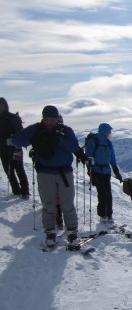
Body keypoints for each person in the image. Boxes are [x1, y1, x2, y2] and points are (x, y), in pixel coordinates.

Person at [9, 105, 86, 247]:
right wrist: (31, 138)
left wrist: (58, 140)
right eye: (46, 119)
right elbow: (18, 140)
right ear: (43, 119)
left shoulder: (65, 130)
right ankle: (50, 231)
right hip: (45, 172)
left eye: (52, 119)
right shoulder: (36, 129)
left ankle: (72, 231)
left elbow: (74, 147)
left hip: (63, 172)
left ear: (57, 119)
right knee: (48, 204)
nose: (49, 122)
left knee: (67, 204)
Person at [85, 123, 123, 225]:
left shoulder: (108, 143)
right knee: (102, 193)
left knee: (108, 194)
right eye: (108, 131)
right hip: (97, 171)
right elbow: (88, 157)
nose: (110, 133)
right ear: (104, 131)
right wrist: (90, 172)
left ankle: (109, 215)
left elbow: (112, 158)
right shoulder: (94, 141)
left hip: (106, 171)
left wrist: (116, 172)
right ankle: (103, 215)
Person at [0, 97, 30, 198]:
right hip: (3, 148)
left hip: (15, 147)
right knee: (8, 170)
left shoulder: (12, 117)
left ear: (5, 105)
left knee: (19, 169)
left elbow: (20, 132)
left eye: (1, 104)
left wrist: (14, 141)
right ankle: (16, 191)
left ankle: (25, 192)